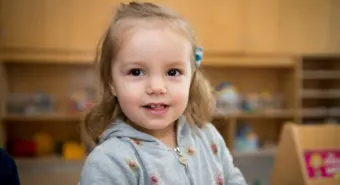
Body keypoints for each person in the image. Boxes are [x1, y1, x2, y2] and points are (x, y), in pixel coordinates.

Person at [79, 1, 246, 185]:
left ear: (191, 78)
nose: (157, 87)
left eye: (173, 72)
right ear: (112, 83)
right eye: (136, 72)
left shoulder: (208, 136)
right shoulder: (109, 162)